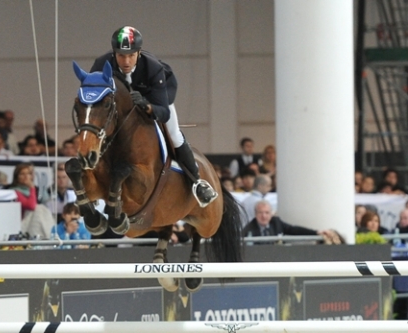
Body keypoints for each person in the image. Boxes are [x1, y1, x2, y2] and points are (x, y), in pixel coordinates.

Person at [91, 26, 216, 207]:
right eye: (121, 55)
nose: (126, 61)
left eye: (131, 55)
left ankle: (197, 182)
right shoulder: (101, 65)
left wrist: (147, 106)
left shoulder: (153, 68)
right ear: (114, 53)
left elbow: (163, 112)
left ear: (139, 53)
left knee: (174, 133)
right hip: (118, 106)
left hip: (156, 99)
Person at [243, 200, 332, 243]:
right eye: (260, 213)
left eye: (267, 212)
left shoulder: (276, 222)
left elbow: (293, 229)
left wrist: (316, 232)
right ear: (255, 214)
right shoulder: (248, 229)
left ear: (271, 213)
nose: (264, 216)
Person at [7, 162, 53, 239]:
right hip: (20, 224)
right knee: (38, 209)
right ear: (17, 176)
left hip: (35, 223)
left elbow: (47, 204)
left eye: (28, 174)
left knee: (41, 209)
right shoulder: (13, 192)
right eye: (22, 174)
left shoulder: (37, 189)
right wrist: (32, 187)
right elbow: (31, 206)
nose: (26, 176)